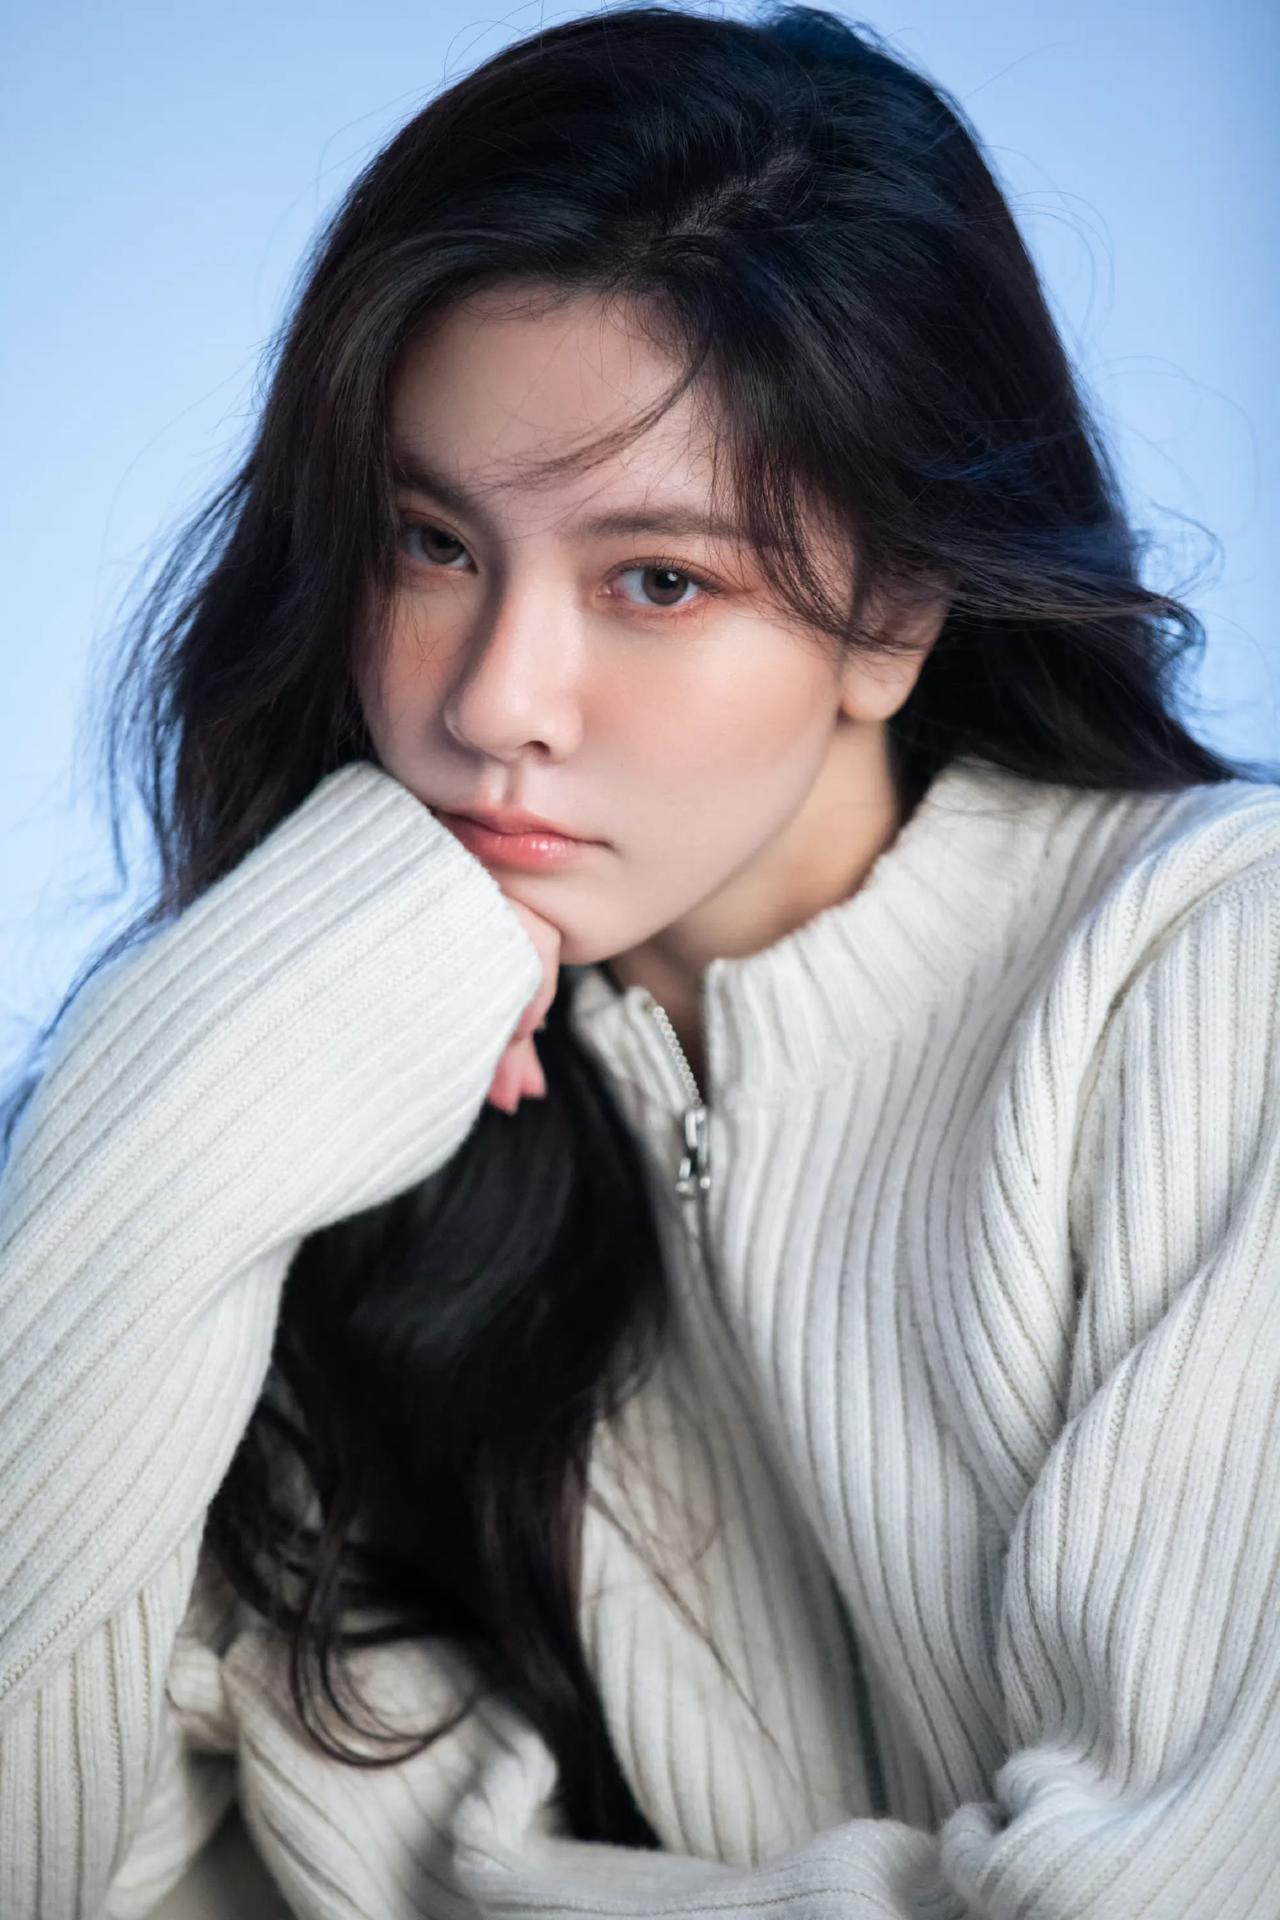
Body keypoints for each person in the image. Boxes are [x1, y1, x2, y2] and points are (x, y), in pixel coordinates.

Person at [2, 5, 1278, 1916]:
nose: (494, 702)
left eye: (658, 580)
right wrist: (167, 1131)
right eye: (431, 544)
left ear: (893, 615)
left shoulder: (1206, 980)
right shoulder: (327, 1106)